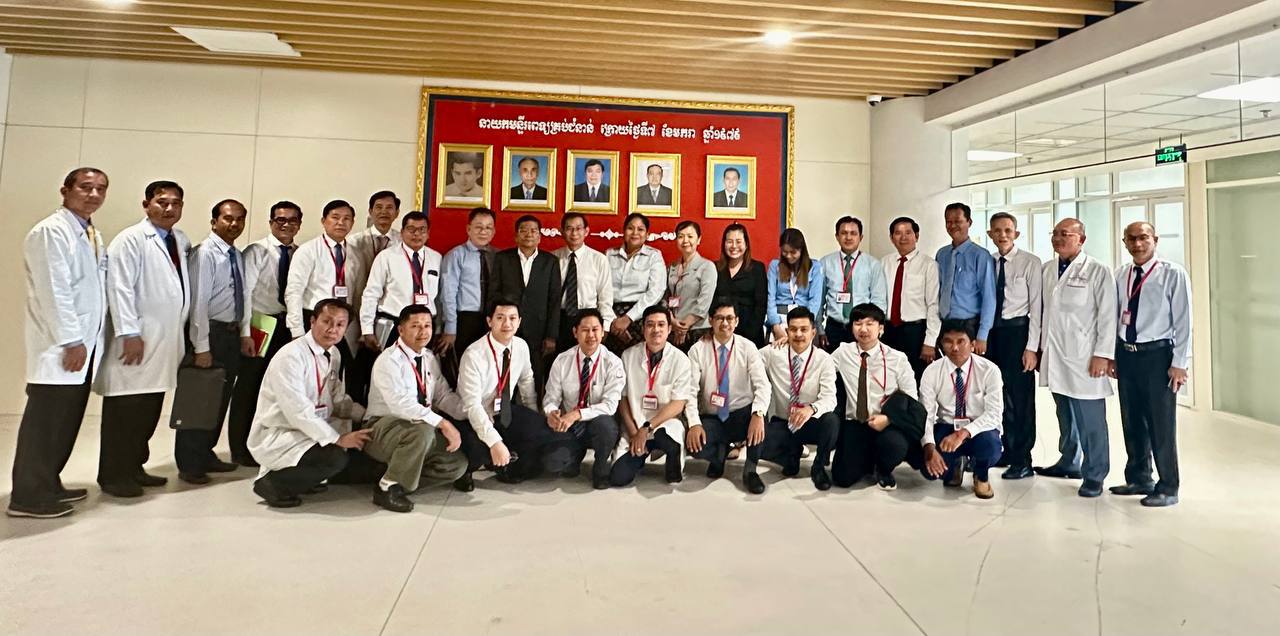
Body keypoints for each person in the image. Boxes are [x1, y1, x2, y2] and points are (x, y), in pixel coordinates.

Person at [8, 168, 109, 518]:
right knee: (45, 423)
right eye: (85, 187)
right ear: (65, 190)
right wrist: (71, 340)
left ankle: (48, 482)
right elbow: (55, 291)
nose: (93, 194)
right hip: (61, 347)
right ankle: (27, 496)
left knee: (65, 421)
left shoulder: (89, 232)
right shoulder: (51, 232)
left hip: (83, 346)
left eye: (100, 189)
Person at [94, 180, 191, 498]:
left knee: (147, 411)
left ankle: (135, 467)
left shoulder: (179, 240)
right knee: (125, 412)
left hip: (164, 341)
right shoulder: (130, 240)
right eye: (162, 202)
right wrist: (128, 332)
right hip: (136, 341)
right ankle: (113, 475)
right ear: (146, 204)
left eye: (175, 203)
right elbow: (119, 288)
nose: (169, 208)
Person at [247, 299, 370, 508]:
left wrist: (366, 416)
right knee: (335, 458)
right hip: (283, 431)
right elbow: (297, 412)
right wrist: (338, 439)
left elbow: (337, 399)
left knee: (357, 455)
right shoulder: (291, 356)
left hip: (311, 427)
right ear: (312, 321)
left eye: (340, 324)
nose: (332, 329)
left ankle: (305, 479)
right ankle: (272, 485)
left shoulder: (334, 354)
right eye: (327, 321)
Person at [1108, 221, 1191, 508]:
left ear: (1155, 239)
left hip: (1158, 356)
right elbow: (1115, 316)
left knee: (1160, 423)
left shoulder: (1172, 273)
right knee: (1131, 419)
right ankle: (1139, 477)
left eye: (1143, 237)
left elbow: (1184, 321)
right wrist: (1113, 355)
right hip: (1127, 354)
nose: (1137, 244)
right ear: (1125, 242)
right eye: (1131, 239)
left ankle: (1168, 486)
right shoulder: (1121, 274)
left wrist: (1180, 363)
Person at [1035, 218, 1116, 498]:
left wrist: (1103, 355)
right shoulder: (1048, 269)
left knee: (1090, 421)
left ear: (1081, 240)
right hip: (1056, 354)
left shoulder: (1097, 270)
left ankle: (1095, 474)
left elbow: (1108, 316)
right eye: (1055, 233)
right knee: (1065, 414)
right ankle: (1069, 461)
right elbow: (1043, 313)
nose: (1058, 238)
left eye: (1066, 234)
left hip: (1085, 358)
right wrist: (1039, 348)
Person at [176, 198, 254, 485]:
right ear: (214, 221)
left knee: (219, 399)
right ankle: (189, 463)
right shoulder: (204, 254)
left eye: (240, 219)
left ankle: (206, 453)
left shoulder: (236, 255)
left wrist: (244, 333)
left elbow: (242, 297)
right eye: (228, 218)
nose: (234, 224)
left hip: (230, 335)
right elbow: (198, 304)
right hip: (210, 334)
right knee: (199, 400)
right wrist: (202, 347)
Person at [363, 305, 468, 512]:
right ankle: (387, 488)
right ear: (401, 330)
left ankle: (396, 477)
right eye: (415, 326)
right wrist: (443, 423)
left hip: (419, 428)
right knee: (422, 432)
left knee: (456, 465)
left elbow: (442, 395)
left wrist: (470, 411)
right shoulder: (389, 360)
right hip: (380, 428)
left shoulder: (428, 357)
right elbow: (400, 404)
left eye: (427, 325)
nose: (423, 331)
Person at [227, 201, 301, 467]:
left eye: (292, 220)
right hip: (259, 324)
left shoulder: (299, 253)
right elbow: (245, 294)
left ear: (299, 225)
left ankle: (266, 444)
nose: (286, 225)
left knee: (274, 389)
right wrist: (245, 332)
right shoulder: (257, 251)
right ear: (271, 222)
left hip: (285, 326)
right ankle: (239, 447)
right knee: (248, 387)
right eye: (280, 220)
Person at [829, 303, 921, 490]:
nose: (863, 329)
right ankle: (866, 460)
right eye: (858, 323)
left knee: (894, 445)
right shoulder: (843, 353)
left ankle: (884, 469)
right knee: (842, 478)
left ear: (881, 329)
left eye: (870, 324)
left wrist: (889, 418)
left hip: (886, 421)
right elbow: (819, 366)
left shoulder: (897, 358)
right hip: (856, 422)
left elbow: (912, 399)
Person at [685, 300, 771, 493]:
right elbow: (690, 391)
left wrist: (758, 414)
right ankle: (718, 455)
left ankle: (750, 470)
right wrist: (694, 424)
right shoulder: (697, 350)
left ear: (737, 321)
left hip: (741, 414)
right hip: (712, 417)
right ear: (710, 320)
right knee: (694, 444)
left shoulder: (748, 347)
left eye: (729, 318)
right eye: (719, 318)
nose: (725, 323)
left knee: (760, 419)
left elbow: (763, 385)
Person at [454, 300, 542, 488]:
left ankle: (505, 463)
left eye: (512, 318)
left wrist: (532, 414)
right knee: (479, 449)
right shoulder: (474, 354)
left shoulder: (521, 346)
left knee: (536, 427)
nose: (507, 324)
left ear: (519, 321)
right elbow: (472, 405)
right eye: (500, 318)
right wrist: (495, 443)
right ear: (489, 321)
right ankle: (466, 471)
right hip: (472, 415)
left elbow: (526, 381)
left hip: (503, 411)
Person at [609, 306, 694, 487]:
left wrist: (647, 429)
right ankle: (642, 454)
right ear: (643, 329)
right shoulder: (628, 356)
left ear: (669, 329)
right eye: (650, 325)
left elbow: (678, 404)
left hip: (664, 424)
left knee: (667, 437)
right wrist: (634, 433)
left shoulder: (681, 360)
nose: (656, 330)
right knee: (618, 477)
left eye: (661, 325)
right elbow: (623, 399)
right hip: (634, 425)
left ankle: (672, 458)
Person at [283, 199, 361, 394]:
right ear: (323, 221)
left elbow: (357, 294)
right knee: (311, 376)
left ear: (352, 223)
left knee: (340, 375)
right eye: (335, 217)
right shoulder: (308, 250)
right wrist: (296, 331)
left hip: (342, 323)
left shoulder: (356, 254)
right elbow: (294, 291)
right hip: (314, 320)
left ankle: (333, 411)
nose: (341, 222)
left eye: (347, 219)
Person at [985, 213, 1042, 480]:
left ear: (1016, 234)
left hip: (1018, 333)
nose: (1003, 235)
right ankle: (1006, 450)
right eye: (997, 230)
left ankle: (1023, 459)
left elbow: (1037, 308)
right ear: (990, 234)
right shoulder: (989, 261)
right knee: (998, 394)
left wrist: (1032, 347)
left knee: (1021, 399)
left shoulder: (1030, 262)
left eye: (1008, 230)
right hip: (992, 334)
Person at [919, 321, 1004, 499]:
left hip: (978, 428)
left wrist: (963, 433)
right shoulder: (932, 371)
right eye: (948, 342)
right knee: (930, 470)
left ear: (972, 344)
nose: (955, 348)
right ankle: (956, 464)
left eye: (961, 341)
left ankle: (981, 475)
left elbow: (994, 414)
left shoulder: (990, 370)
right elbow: (926, 414)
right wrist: (929, 447)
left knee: (990, 446)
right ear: (941, 344)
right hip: (947, 426)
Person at [542, 310, 625, 489]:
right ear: (575, 332)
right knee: (553, 463)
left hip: (598, 423)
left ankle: (601, 469)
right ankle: (574, 455)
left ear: (602, 332)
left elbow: (610, 406)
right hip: (570, 426)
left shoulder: (613, 363)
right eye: (585, 330)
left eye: (595, 330)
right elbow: (550, 398)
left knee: (606, 427)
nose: (591, 335)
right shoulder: (562, 360)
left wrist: (577, 414)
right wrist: (551, 412)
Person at [758, 307, 838, 491]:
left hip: (809, 421)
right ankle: (790, 456)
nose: (799, 334)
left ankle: (818, 467)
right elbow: (747, 356)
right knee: (758, 442)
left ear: (813, 332)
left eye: (804, 329)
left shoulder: (824, 360)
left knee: (831, 421)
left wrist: (811, 408)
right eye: (793, 329)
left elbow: (830, 398)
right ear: (787, 331)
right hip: (783, 421)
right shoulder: (773, 353)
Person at [487, 214, 562, 394]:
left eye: (534, 231)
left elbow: (554, 300)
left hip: (538, 330)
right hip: (507, 327)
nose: (529, 234)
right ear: (516, 236)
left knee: (535, 377)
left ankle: (532, 409)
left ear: (539, 236)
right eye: (524, 230)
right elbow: (494, 293)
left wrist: (551, 335)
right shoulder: (503, 258)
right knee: (504, 374)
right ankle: (505, 409)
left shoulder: (550, 261)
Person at [346, 191, 403, 403]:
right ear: (370, 211)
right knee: (355, 368)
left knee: (384, 370)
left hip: (388, 316)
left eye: (389, 208)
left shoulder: (403, 243)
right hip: (355, 313)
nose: (383, 212)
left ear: (397, 212)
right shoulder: (353, 242)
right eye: (378, 207)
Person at [359, 212, 442, 352]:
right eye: (411, 229)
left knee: (420, 364)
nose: (416, 234)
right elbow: (371, 294)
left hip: (426, 327)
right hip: (395, 325)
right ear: (402, 232)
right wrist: (367, 329)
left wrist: (439, 328)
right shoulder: (386, 257)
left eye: (422, 230)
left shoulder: (436, 258)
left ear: (428, 233)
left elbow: (439, 299)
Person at [437, 207, 497, 382]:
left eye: (488, 227)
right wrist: (450, 328)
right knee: (463, 369)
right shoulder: (456, 255)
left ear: (494, 231)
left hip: (491, 320)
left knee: (487, 369)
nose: (483, 231)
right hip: (465, 320)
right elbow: (448, 294)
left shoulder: (498, 256)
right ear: (468, 229)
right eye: (478, 227)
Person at [881, 216, 940, 382]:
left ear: (917, 236)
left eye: (908, 232)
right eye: (898, 233)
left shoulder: (928, 265)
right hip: (888, 331)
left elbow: (934, 305)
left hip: (915, 332)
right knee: (888, 378)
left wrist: (930, 341)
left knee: (914, 379)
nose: (903, 237)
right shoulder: (884, 262)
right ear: (891, 238)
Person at [818, 215, 887, 352]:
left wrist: (876, 329)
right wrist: (820, 329)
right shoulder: (825, 262)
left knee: (862, 363)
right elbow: (819, 300)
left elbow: (879, 300)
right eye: (844, 233)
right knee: (833, 364)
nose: (848, 237)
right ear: (837, 236)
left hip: (862, 328)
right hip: (834, 328)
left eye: (853, 233)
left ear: (861, 237)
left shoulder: (872, 264)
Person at [935, 202, 996, 354]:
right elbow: (937, 290)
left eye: (958, 221)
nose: (952, 226)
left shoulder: (981, 256)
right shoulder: (942, 254)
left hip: (969, 325)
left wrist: (982, 335)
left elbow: (989, 297)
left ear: (969, 222)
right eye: (948, 222)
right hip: (944, 324)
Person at [604, 213, 664, 354]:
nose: (635, 233)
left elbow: (656, 292)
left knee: (638, 359)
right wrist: (613, 321)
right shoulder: (609, 255)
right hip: (611, 315)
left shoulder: (654, 256)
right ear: (624, 231)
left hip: (640, 314)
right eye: (630, 228)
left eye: (640, 229)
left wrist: (628, 318)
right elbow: (601, 290)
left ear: (647, 234)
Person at [553, 213, 614, 352]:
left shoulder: (599, 259)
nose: (574, 233)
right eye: (569, 228)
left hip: (588, 319)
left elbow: (605, 298)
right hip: (559, 320)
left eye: (578, 228)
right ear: (561, 231)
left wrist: (605, 327)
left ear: (586, 231)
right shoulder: (552, 258)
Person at [766, 228, 824, 346]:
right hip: (779, 320)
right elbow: (770, 298)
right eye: (785, 252)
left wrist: (803, 326)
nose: (788, 256)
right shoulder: (775, 266)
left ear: (802, 250)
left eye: (793, 252)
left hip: (804, 320)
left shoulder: (815, 267)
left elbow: (815, 301)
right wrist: (776, 327)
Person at [713, 223, 768, 347]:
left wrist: (750, 334)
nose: (734, 246)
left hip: (751, 332)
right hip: (722, 330)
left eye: (738, 242)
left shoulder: (757, 268)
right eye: (729, 242)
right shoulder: (714, 268)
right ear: (723, 244)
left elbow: (761, 305)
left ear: (746, 244)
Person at [667, 220, 717, 350]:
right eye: (680, 236)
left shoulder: (707, 266)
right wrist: (672, 320)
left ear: (699, 239)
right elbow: (665, 296)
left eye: (690, 236)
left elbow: (704, 301)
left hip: (697, 329)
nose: (685, 240)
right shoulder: (672, 267)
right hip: (673, 327)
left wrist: (685, 326)